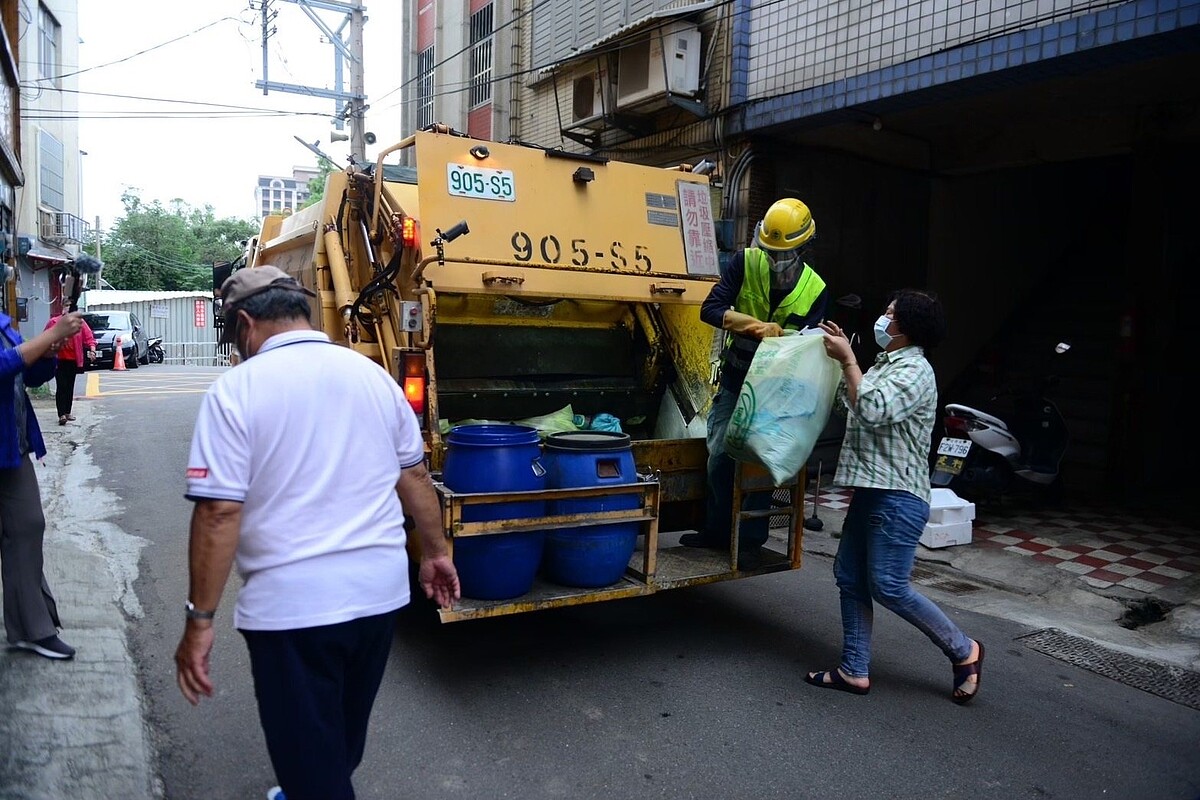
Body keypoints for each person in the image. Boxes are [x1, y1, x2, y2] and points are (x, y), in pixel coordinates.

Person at [173, 265, 461, 800]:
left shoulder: (236, 390)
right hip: (378, 599)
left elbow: (217, 515)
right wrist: (436, 553)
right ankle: (317, 781)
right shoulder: (371, 376)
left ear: (242, 324)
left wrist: (199, 622)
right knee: (341, 733)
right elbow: (415, 476)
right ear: (301, 309)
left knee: (311, 761)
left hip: (293, 613)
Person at [805, 289, 983, 703]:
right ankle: (853, 669)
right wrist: (836, 363)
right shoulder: (887, 366)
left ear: (906, 327)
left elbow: (873, 409)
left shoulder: (916, 372)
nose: (882, 319)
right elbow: (849, 404)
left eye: (889, 314)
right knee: (850, 577)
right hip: (872, 491)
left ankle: (964, 649)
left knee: (888, 585)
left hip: (899, 496)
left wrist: (849, 361)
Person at [684, 197, 829, 569]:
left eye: (784, 254)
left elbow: (809, 345)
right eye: (769, 251)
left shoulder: (815, 288)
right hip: (736, 377)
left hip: (778, 390)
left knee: (761, 462)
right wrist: (755, 326)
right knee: (719, 454)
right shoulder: (745, 262)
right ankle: (716, 532)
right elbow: (710, 309)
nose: (774, 260)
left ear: (804, 249)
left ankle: (749, 540)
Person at [1, 309, 84, 660]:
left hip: (10, 445)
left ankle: (31, 629)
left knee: (28, 527)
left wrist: (49, 353)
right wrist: (47, 338)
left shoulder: (3, 323)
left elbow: (28, 376)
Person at [43, 310, 97, 425]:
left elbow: (89, 337)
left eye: (70, 306)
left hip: (73, 360)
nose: (68, 309)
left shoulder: (79, 322)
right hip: (59, 360)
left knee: (69, 386)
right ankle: (61, 414)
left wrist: (92, 350)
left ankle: (67, 412)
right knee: (61, 386)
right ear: (62, 308)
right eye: (66, 305)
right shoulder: (54, 322)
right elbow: (45, 338)